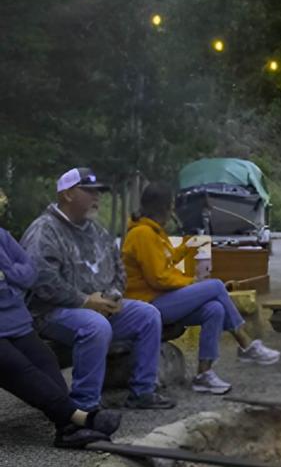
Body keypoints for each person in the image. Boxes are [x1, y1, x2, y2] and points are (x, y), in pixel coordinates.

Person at [20, 168, 174, 410]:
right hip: (50, 313)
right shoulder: (45, 231)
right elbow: (41, 281)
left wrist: (112, 297)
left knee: (148, 315)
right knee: (95, 325)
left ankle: (143, 392)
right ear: (68, 194)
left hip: (99, 307)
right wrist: (85, 301)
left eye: (99, 192)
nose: (97, 198)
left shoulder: (97, 231)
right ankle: (85, 404)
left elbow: (118, 268)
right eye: (90, 191)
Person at [121, 183, 280, 396]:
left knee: (214, 309)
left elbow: (164, 262)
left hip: (161, 298)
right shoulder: (142, 234)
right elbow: (158, 278)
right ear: (166, 208)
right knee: (214, 286)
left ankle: (204, 374)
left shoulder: (154, 232)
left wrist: (187, 246)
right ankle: (245, 343)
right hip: (147, 303)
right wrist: (191, 283)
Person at [0, 189, 121, 447]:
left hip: (12, 321)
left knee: (45, 360)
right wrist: (12, 277)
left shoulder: (2, 237)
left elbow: (28, 273)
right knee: (18, 368)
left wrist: (7, 271)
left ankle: (66, 427)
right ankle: (78, 419)